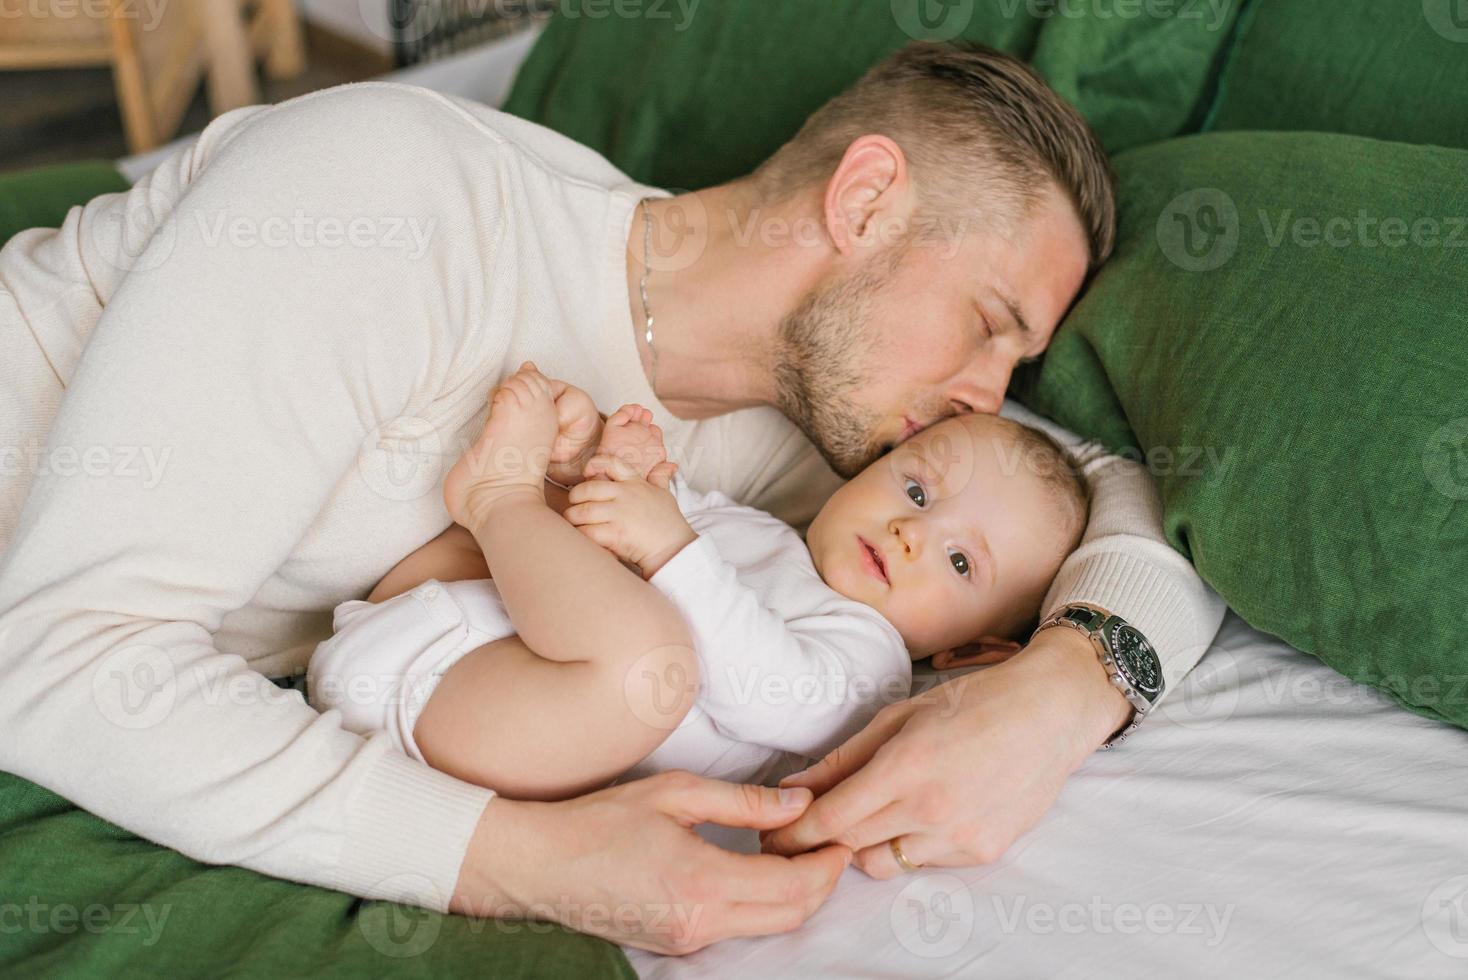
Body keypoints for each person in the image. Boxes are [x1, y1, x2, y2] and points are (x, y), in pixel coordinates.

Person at [0, 42, 1223, 954]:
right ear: (863, 203)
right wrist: (521, 858)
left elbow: (1114, 488)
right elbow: (59, 662)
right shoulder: (394, 198)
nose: (980, 400)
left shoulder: (764, 444)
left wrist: (1063, 691)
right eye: (988, 327)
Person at [306, 362, 1089, 801]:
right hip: (421, 628)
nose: (912, 535)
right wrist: (597, 467)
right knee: (578, 528)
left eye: (960, 564)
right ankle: (508, 499)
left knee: (656, 661)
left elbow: (762, 686)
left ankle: (496, 499)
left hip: (477, 721)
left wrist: (670, 545)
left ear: (970, 650)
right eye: (916, 492)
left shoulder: (871, 666)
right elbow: (636, 523)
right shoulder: (762, 533)